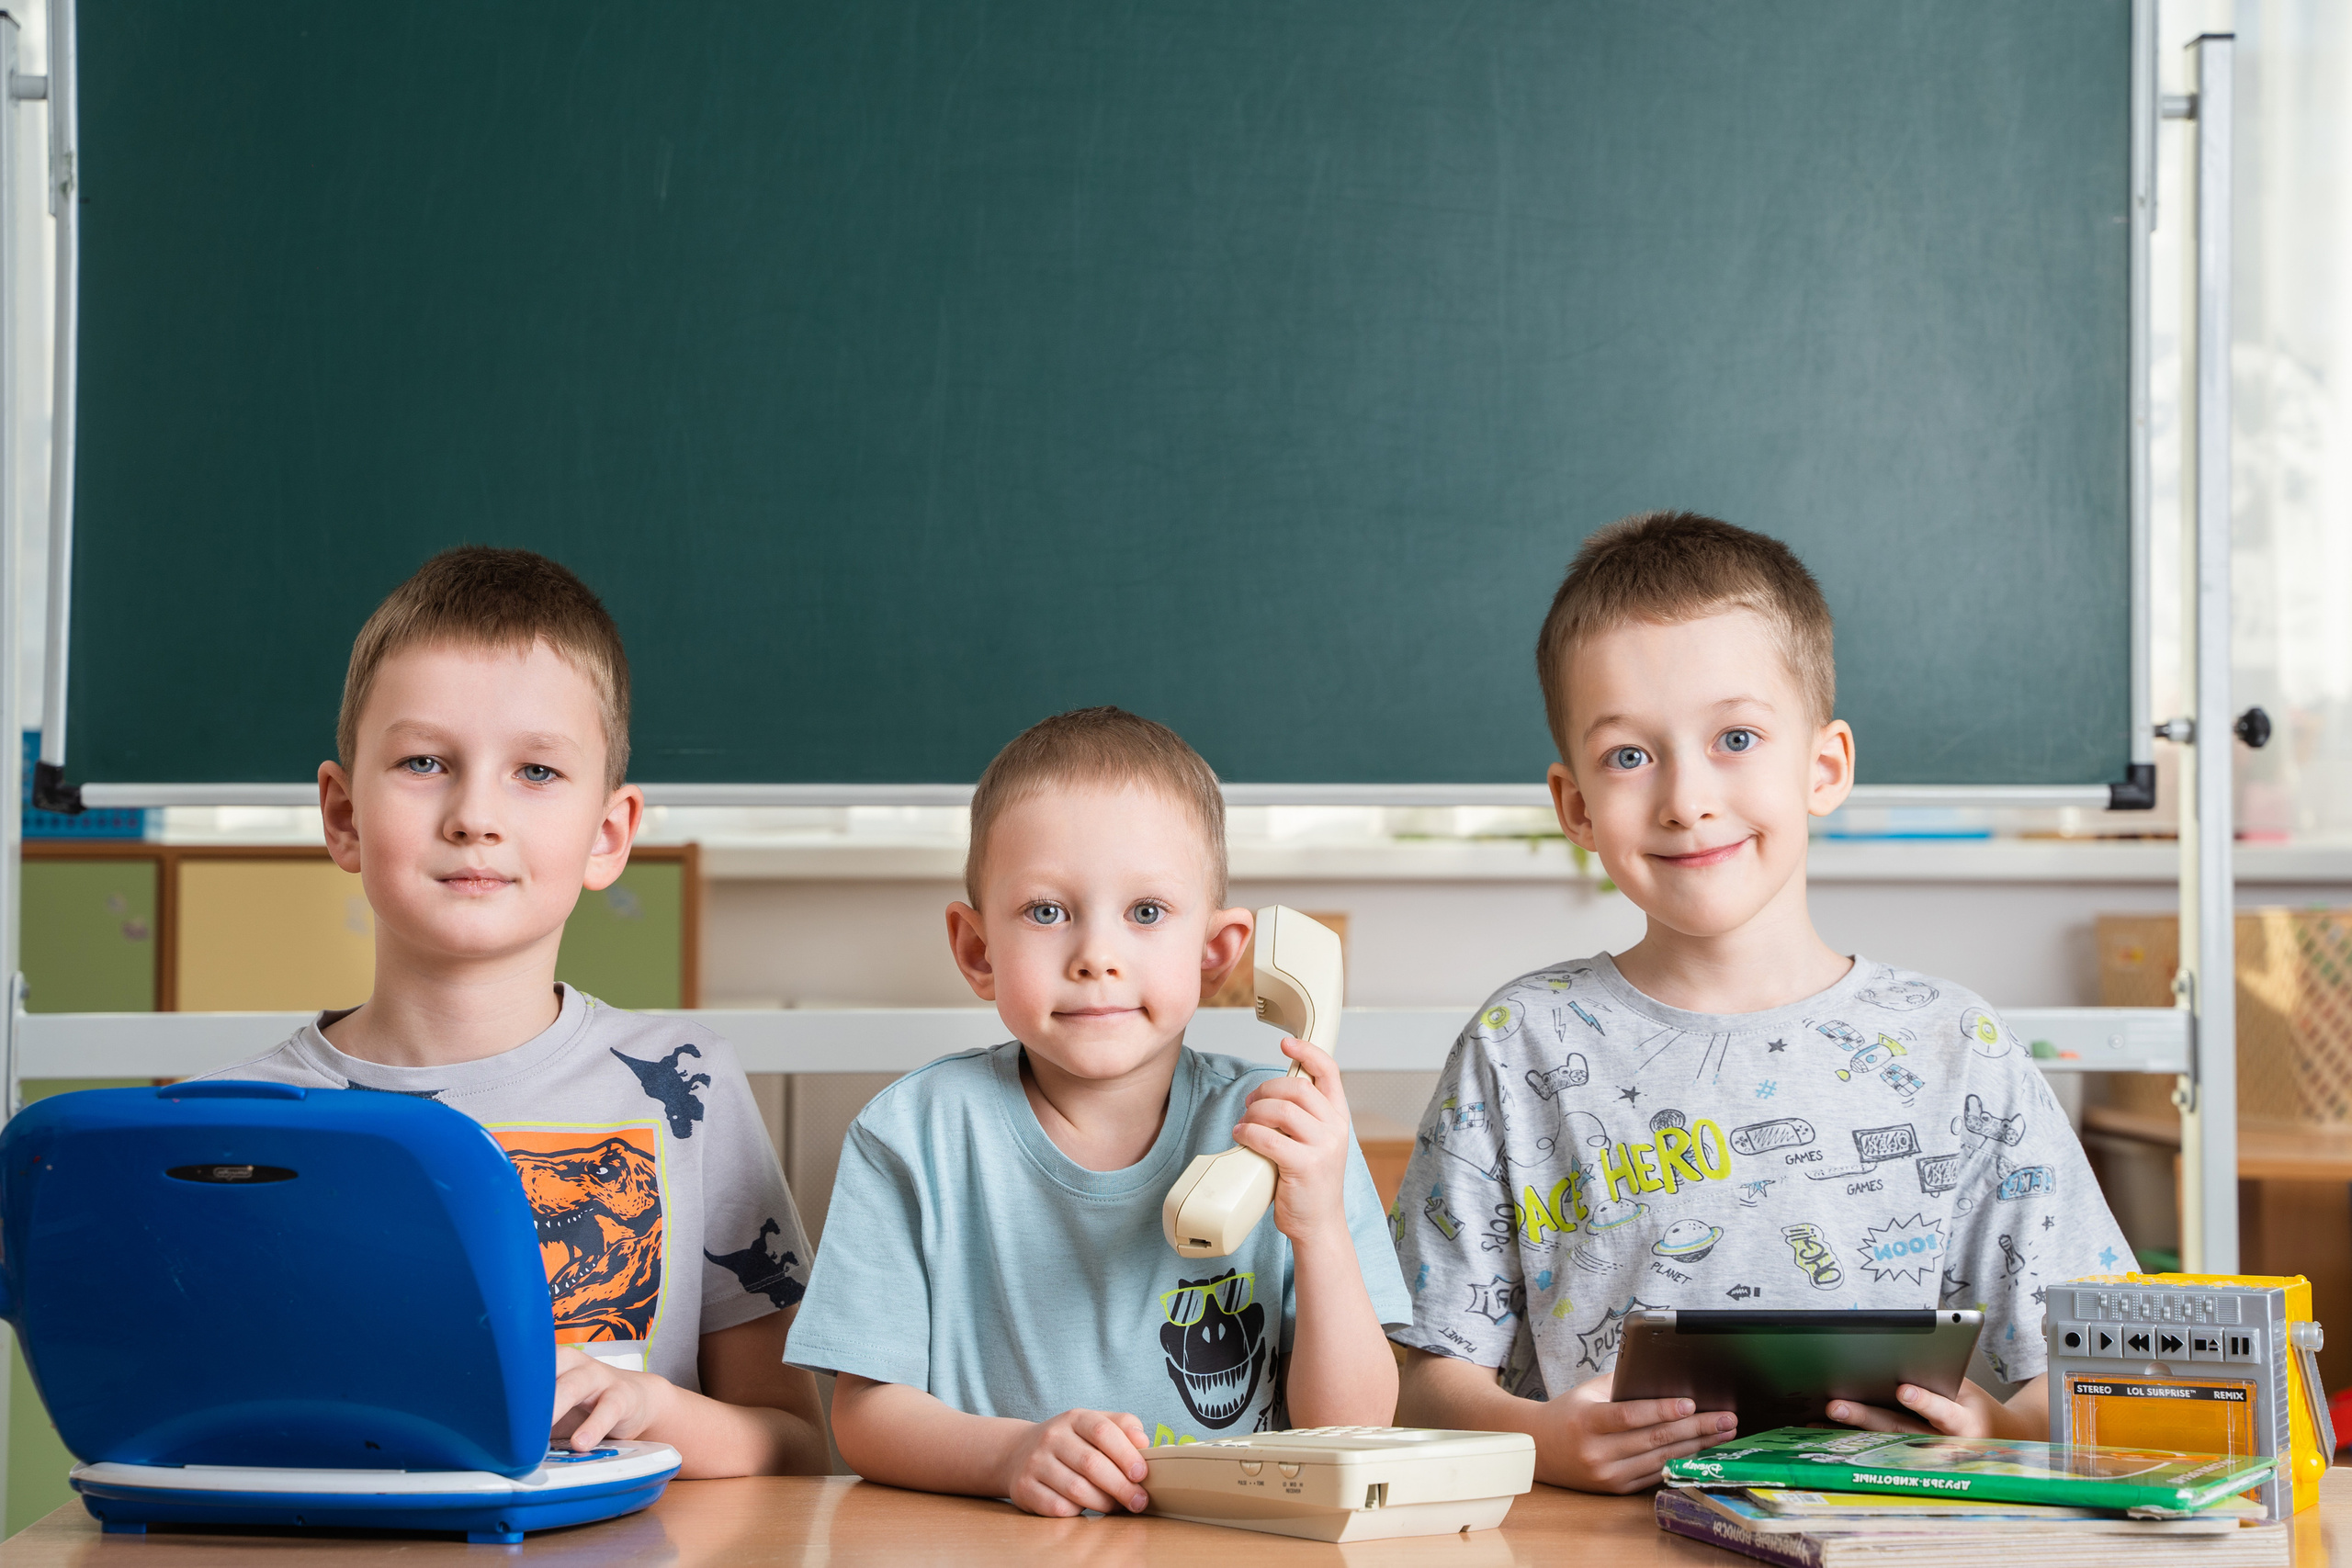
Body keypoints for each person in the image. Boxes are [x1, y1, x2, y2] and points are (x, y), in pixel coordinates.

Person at [1389, 512, 2132, 1493]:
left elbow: (2094, 1380)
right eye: (1628, 757)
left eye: (1734, 737)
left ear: (1823, 767)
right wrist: (1535, 1442)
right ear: (1573, 807)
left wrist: (1989, 1428)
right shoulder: (1518, 1043)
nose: (1686, 799)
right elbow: (1415, 1380)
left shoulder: (1956, 1047)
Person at [210, 547, 828, 1477]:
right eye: (425, 762)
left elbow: (795, 1445)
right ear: (342, 816)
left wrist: (654, 1410)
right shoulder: (235, 1120)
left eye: (535, 772)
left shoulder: (688, 1091)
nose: (474, 815)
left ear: (608, 833)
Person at [786, 707, 1408, 1517]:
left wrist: (1319, 1226)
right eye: (1047, 911)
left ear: (1216, 953)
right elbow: (864, 1419)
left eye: (1147, 912)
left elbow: (1356, 1428)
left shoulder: (1289, 1128)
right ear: (977, 951)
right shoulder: (909, 1136)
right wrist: (1008, 1454)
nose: (1095, 955)